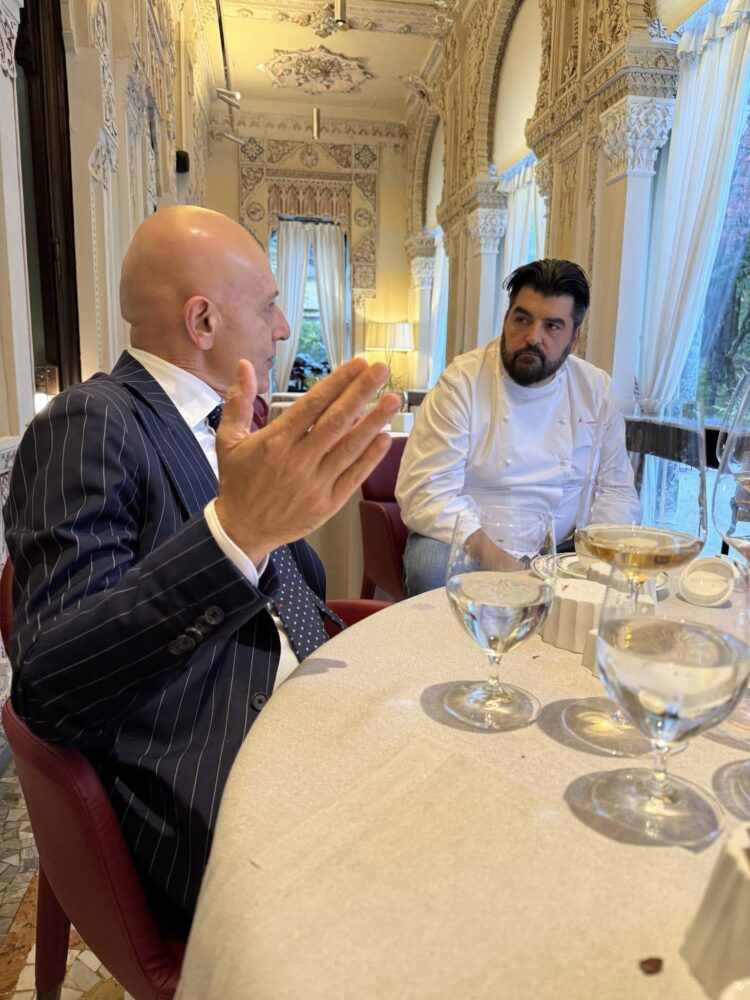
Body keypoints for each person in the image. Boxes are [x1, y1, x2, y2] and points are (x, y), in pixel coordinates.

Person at [2, 206, 401, 938]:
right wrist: (237, 533)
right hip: (215, 787)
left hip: (313, 722)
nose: (284, 328)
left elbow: (288, 593)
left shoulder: (233, 429)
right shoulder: (93, 421)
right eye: (270, 306)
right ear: (203, 321)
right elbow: (51, 689)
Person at [395, 258, 641, 595]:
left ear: (574, 338)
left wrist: (595, 559)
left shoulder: (595, 389)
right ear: (506, 318)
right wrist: (509, 567)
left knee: (626, 581)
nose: (532, 337)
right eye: (522, 319)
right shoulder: (461, 382)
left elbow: (616, 490)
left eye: (552, 326)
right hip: (472, 543)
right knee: (431, 568)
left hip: (564, 547)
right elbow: (425, 493)